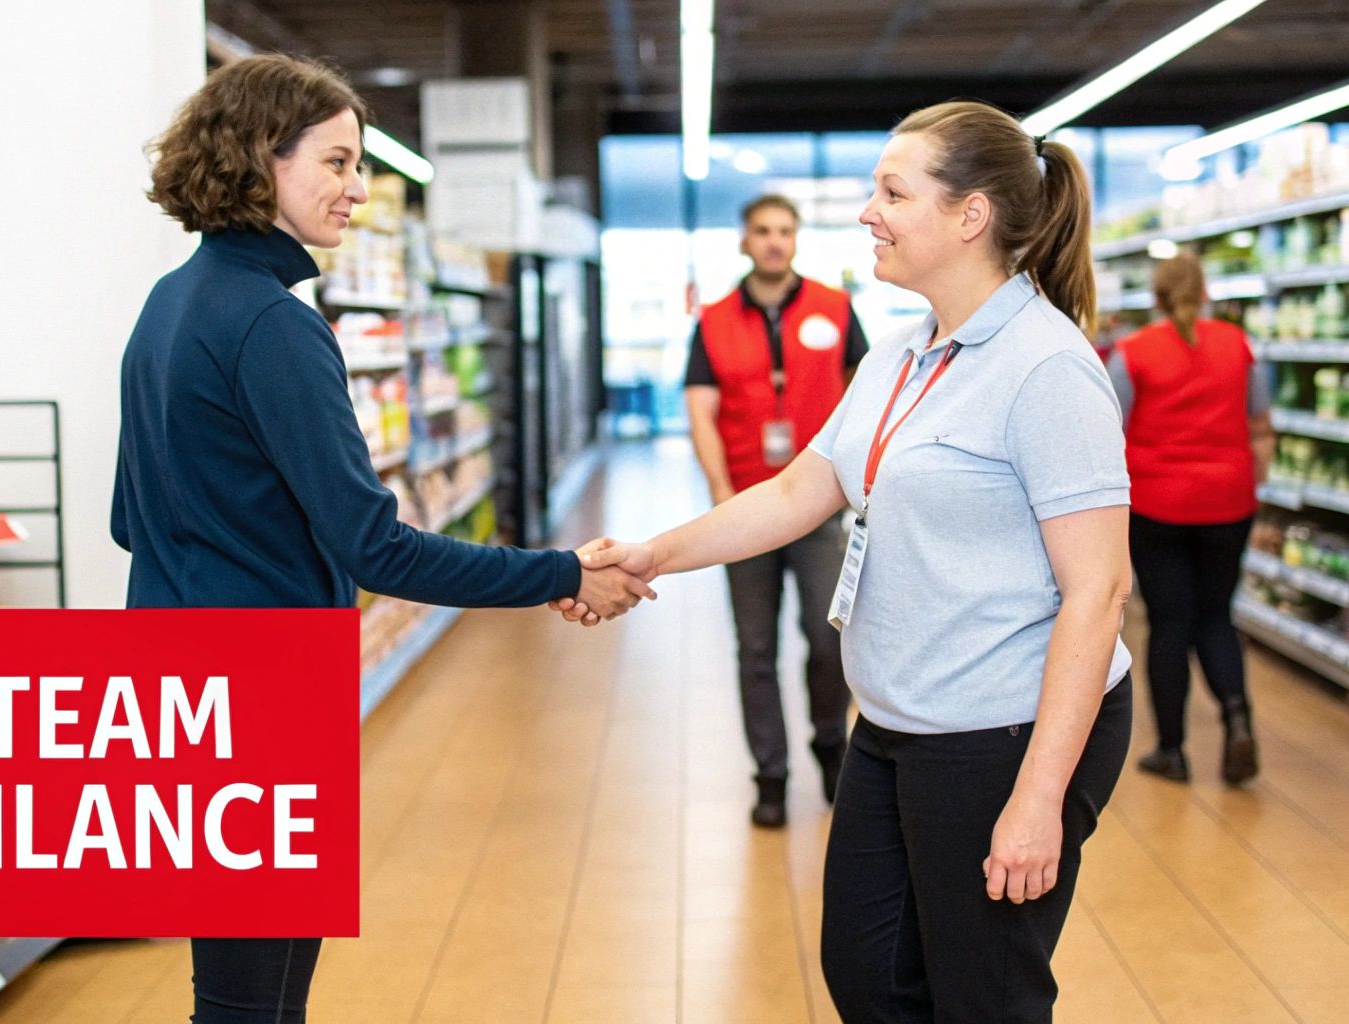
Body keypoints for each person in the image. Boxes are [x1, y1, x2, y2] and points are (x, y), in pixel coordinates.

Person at [559, 100, 1133, 1022]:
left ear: (969, 216)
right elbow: (797, 493)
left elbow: (1098, 594)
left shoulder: (1047, 369)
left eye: (892, 192)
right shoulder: (903, 355)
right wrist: (647, 556)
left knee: (983, 996)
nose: (868, 212)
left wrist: (1039, 798)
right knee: (866, 975)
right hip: (897, 721)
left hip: (1001, 733)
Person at [112, 55, 652, 1024]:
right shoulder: (274, 325)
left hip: (175, 686)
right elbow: (376, 547)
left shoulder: (166, 303)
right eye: (335, 160)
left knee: (232, 987)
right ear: (256, 158)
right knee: (256, 999)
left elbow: (127, 517)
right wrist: (564, 569)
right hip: (261, 693)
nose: (357, 187)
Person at [684, 193, 870, 828]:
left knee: (826, 638)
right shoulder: (712, 321)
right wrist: (718, 491)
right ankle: (770, 774)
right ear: (744, 240)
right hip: (745, 509)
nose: (773, 241)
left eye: (784, 231)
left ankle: (830, 744)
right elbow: (700, 410)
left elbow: (864, 396)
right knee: (755, 647)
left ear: (796, 239)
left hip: (819, 506)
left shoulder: (837, 310)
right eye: (762, 230)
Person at [1107, 252, 1274, 785]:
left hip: (1158, 505)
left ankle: (1173, 750)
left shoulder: (1132, 353)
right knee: (1216, 616)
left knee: (1170, 622)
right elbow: (1262, 426)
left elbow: (1108, 431)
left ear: (1155, 296)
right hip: (1229, 501)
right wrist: (1252, 483)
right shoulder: (1238, 345)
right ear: (1204, 292)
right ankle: (1236, 715)